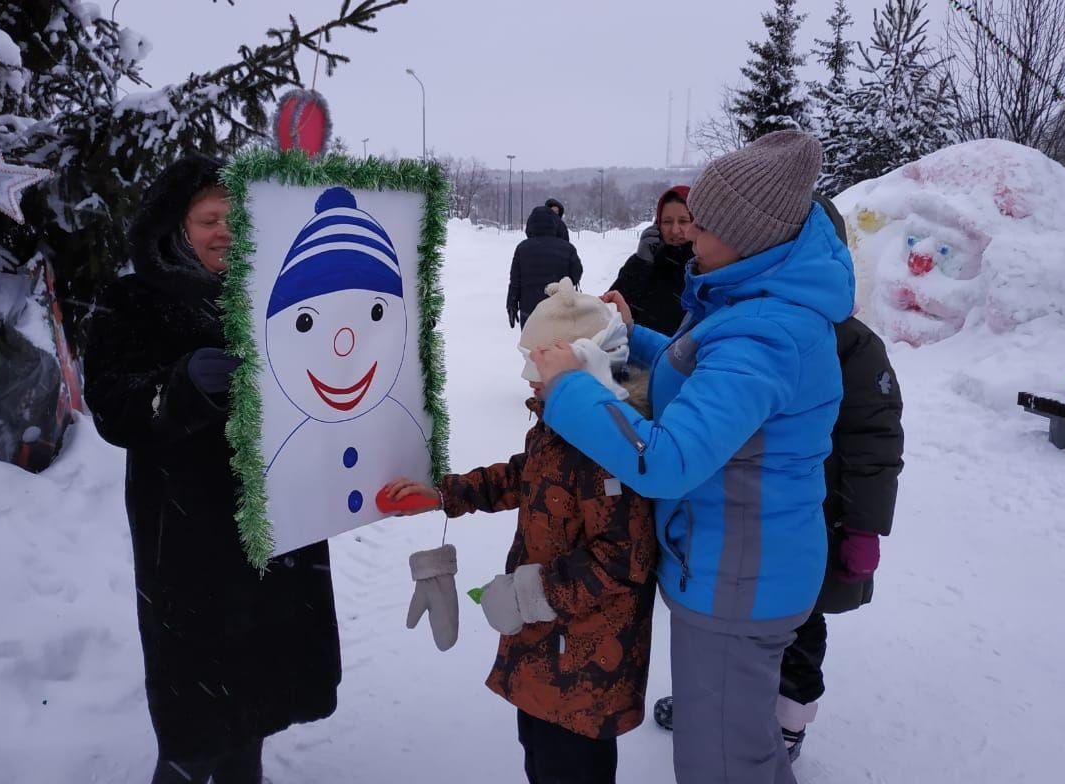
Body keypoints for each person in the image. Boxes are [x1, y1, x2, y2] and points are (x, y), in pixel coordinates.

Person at [527, 130, 855, 784]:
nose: (689, 238)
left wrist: (567, 388)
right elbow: (702, 371)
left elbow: (669, 459)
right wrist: (629, 337)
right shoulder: (753, 297)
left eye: (703, 226)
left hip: (739, 584)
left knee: (725, 767)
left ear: (747, 234)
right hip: (736, 566)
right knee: (738, 750)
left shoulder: (766, 331)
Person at [83, 153, 340, 784]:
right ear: (175, 225)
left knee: (255, 690)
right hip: (189, 532)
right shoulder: (133, 300)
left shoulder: (274, 292)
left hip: (272, 522)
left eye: (237, 217)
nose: (226, 230)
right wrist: (177, 387)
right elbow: (112, 406)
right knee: (196, 704)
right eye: (209, 218)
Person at [651, 193, 905, 763]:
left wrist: (864, 528)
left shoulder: (845, 343)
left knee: (800, 630)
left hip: (819, 512)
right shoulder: (748, 317)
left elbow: (876, 442)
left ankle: (788, 719)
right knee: (751, 649)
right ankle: (736, 714)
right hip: (766, 512)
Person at [384, 281, 657, 784]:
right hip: (547, 651)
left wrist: (529, 592)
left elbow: (624, 557)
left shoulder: (612, 442)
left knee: (569, 769)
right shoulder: (565, 421)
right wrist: (445, 494)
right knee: (539, 753)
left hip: (585, 665)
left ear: (583, 363)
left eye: (540, 364)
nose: (529, 378)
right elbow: (524, 473)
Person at [608, 185, 694, 336]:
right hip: (634, 355)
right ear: (657, 225)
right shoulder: (645, 262)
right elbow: (611, 309)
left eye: (683, 221)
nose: (674, 230)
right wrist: (640, 263)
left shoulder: (705, 266)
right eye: (667, 222)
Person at [507, 204, 584, 328]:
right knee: (558, 345)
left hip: (529, 312)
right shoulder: (567, 248)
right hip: (559, 308)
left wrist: (511, 303)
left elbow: (515, 281)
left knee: (531, 346)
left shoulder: (522, 248)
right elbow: (577, 274)